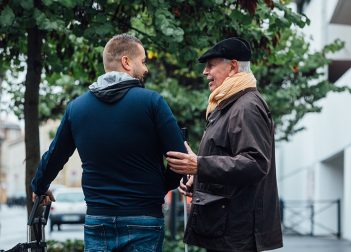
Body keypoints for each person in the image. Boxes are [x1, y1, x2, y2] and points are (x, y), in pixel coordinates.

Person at [31, 34, 186, 252]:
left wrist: (39, 186)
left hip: (98, 220)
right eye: (143, 61)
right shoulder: (153, 102)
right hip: (144, 218)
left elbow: (55, 155)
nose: (146, 69)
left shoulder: (77, 108)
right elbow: (180, 158)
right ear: (126, 62)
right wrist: (158, 187)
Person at [166, 37, 283, 252]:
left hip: (237, 234)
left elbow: (255, 164)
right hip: (228, 230)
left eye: (211, 66)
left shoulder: (246, 106)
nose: (205, 72)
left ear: (233, 67)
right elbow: (229, 160)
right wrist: (198, 177)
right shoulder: (229, 104)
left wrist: (199, 165)